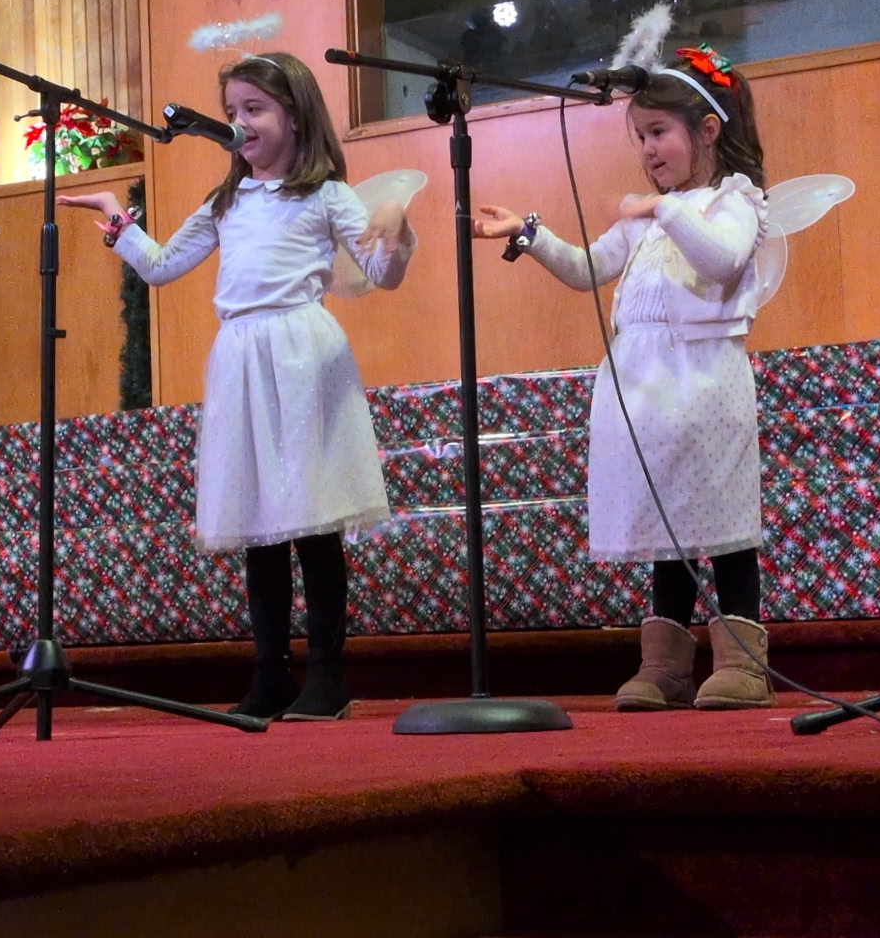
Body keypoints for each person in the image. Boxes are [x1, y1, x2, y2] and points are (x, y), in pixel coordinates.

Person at [58, 52, 413, 721]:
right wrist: (119, 221)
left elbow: (380, 273)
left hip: (302, 352)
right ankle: (270, 671)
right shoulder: (225, 201)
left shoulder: (325, 195)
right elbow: (161, 268)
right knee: (259, 524)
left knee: (312, 517)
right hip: (241, 359)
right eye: (232, 113)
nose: (240, 124)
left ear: (295, 117)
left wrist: (396, 234)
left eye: (255, 109)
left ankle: (328, 674)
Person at [474, 46, 774, 711]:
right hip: (645, 389)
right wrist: (528, 232)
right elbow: (588, 266)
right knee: (666, 527)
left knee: (724, 525)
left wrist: (663, 211)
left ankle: (743, 666)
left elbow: (722, 260)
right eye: (640, 137)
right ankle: (665, 666)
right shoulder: (648, 216)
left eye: (658, 133)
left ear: (708, 129)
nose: (647, 150)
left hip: (706, 384)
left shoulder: (734, 201)